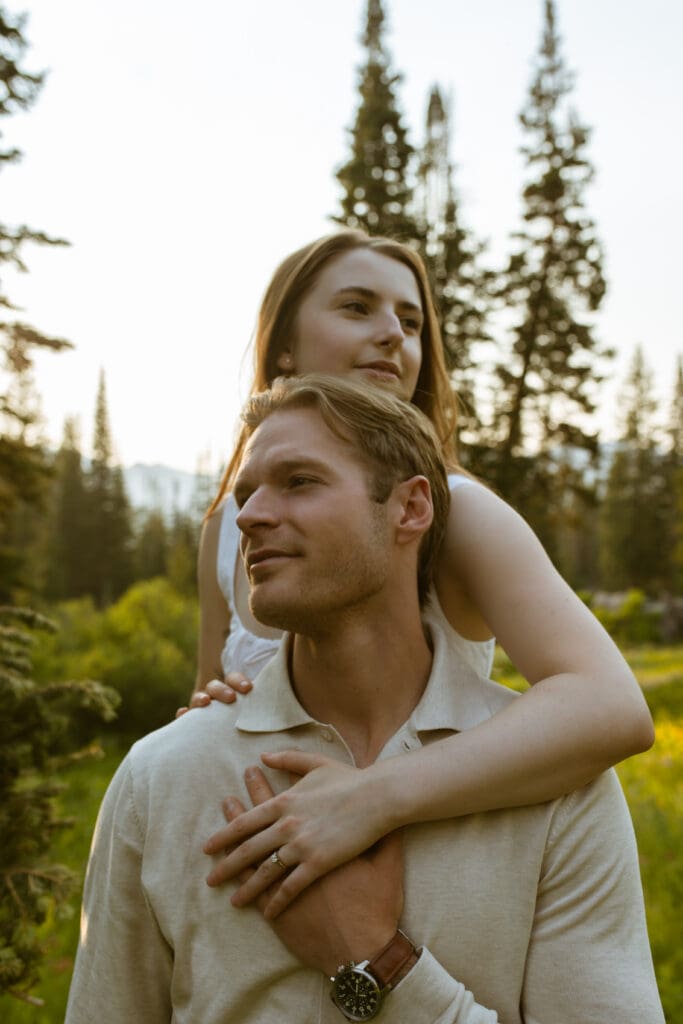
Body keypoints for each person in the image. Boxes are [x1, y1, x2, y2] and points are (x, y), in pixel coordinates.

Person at [66, 376, 663, 1023]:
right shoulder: (161, 778)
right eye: (246, 493)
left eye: (298, 481)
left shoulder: (559, 790)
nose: (249, 516)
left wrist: (381, 964)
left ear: (409, 509)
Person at [186, 228, 654, 917]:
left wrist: (370, 797)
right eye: (356, 307)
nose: (392, 335)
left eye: (409, 321)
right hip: (257, 867)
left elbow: (610, 706)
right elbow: (203, 700)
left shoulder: (457, 513)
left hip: (429, 879)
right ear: (283, 345)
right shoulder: (230, 524)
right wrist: (209, 712)